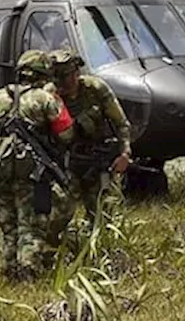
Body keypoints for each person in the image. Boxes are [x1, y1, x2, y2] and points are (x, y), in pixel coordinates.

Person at [0, 50, 74, 281]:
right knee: (33, 224)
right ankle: (28, 276)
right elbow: (66, 134)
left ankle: (11, 272)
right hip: (33, 172)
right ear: (44, 74)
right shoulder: (45, 99)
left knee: (9, 225)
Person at [47, 48, 131, 233]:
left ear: (77, 74)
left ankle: (99, 253)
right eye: (56, 78)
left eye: (65, 78)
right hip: (67, 163)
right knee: (58, 213)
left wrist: (125, 154)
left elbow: (122, 124)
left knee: (102, 216)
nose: (61, 84)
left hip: (97, 161)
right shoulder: (49, 96)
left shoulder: (96, 89)